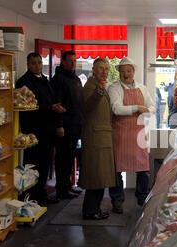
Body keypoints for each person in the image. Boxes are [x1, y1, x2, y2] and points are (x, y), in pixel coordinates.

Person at [15, 52, 65, 205]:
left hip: (48, 128)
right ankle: (31, 195)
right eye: (34, 63)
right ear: (28, 64)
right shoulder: (23, 82)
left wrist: (57, 117)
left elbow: (52, 99)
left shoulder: (44, 79)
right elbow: (28, 106)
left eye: (39, 63)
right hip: (33, 129)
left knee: (45, 163)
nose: (37, 66)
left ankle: (42, 193)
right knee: (33, 163)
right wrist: (50, 107)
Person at [108, 57, 155, 213]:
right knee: (117, 169)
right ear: (119, 73)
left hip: (139, 133)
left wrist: (149, 110)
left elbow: (152, 105)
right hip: (120, 133)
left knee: (143, 168)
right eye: (123, 71)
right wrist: (138, 108)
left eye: (128, 71)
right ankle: (117, 200)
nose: (126, 74)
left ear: (133, 72)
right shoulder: (114, 88)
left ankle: (142, 197)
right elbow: (116, 108)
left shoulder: (142, 87)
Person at [79, 58, 118, 220]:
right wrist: (99, 92)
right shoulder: (91, 86)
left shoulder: (99, 86)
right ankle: (90, 211)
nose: (105, 72)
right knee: (96, 177)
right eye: (101, 68)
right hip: (95, 139)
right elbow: (88, 106)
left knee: (101, 178)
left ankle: (95, 208)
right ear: (94, 70)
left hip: (102, 137)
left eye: (107, 69)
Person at [51, 51, 83, 199]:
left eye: (74, 61)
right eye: (70, 61)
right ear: (62, 62)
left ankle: (68, 185)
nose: (72, 63)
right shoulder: (59, 79)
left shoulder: (75, 78)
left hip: (75, 124)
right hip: (65, 125)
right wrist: (59, 125)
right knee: (62, 159)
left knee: (70, 158)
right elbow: (57, 104)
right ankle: (61, 189)